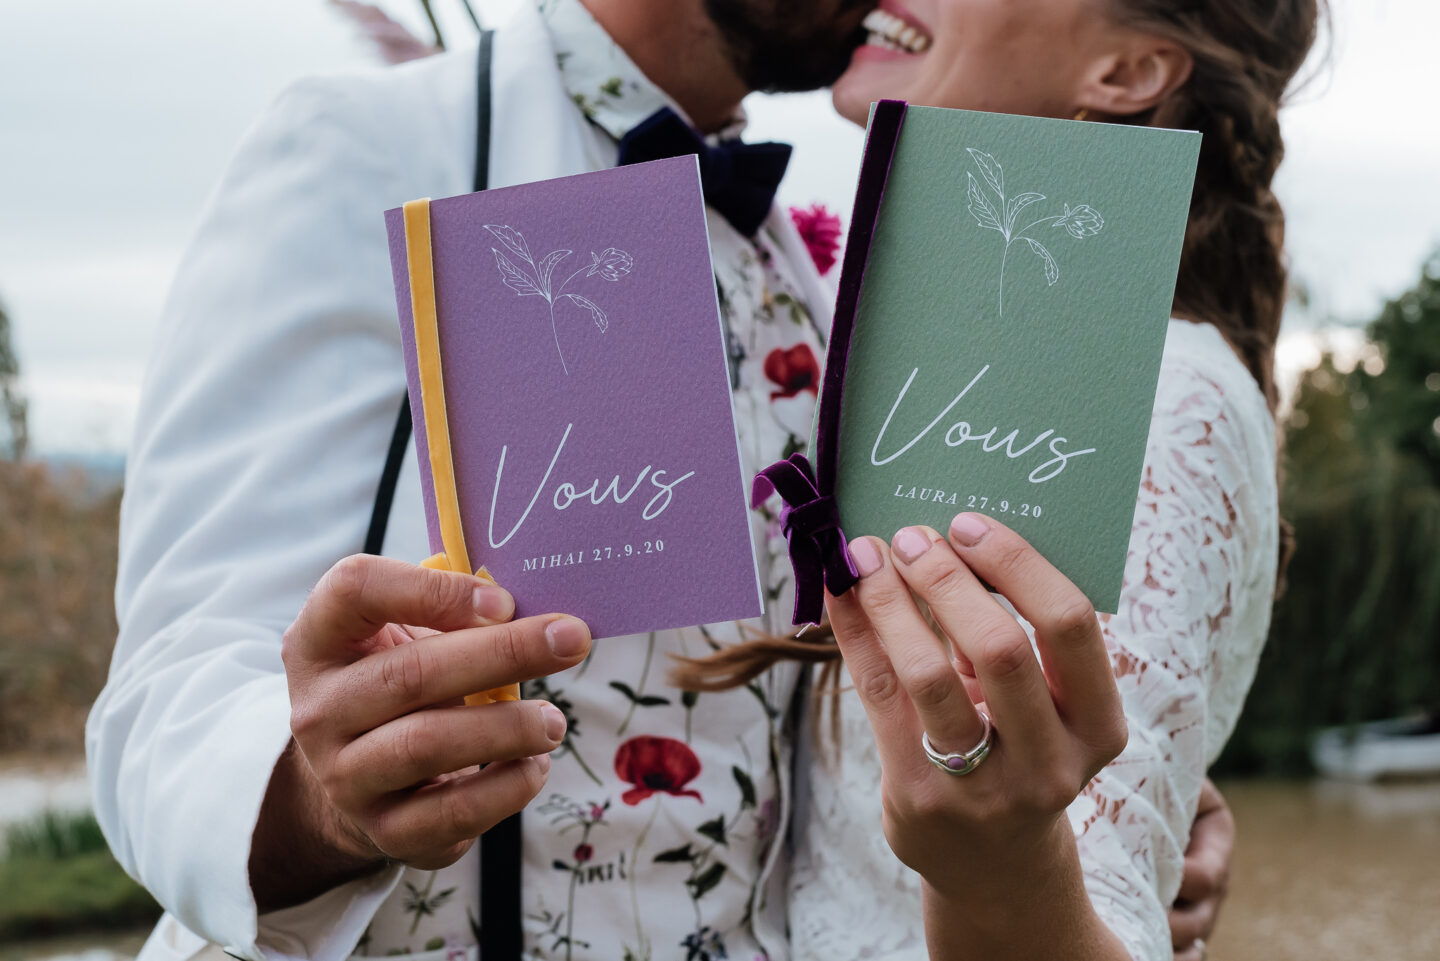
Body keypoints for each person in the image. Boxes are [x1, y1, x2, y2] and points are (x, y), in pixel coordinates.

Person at [88, 2, 1238, 961]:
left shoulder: (815, 274)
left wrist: (1100, 832)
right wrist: (321, 798)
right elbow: (167, 698)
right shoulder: (371, 145)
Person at [765, 2, 1316, 959]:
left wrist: (1017, 875)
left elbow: (1105, 908)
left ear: (1128, 72)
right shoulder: (963, 364)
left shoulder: (1149, 398)